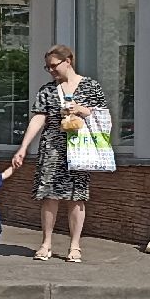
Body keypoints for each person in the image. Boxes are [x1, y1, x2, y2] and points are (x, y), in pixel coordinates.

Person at [12, 44, 110, 263]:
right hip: (52, 147)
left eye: (54, 66)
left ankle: (75, 246)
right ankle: (46, 243)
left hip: (81, 148)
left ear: (68, 61)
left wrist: (81, 110)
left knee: (77, 196)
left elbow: (102, 114)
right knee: (49, 195)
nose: (51, 71)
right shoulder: (48, 90)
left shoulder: (91, 86)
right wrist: (23, 147)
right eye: (47, 67)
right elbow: (39, 118)